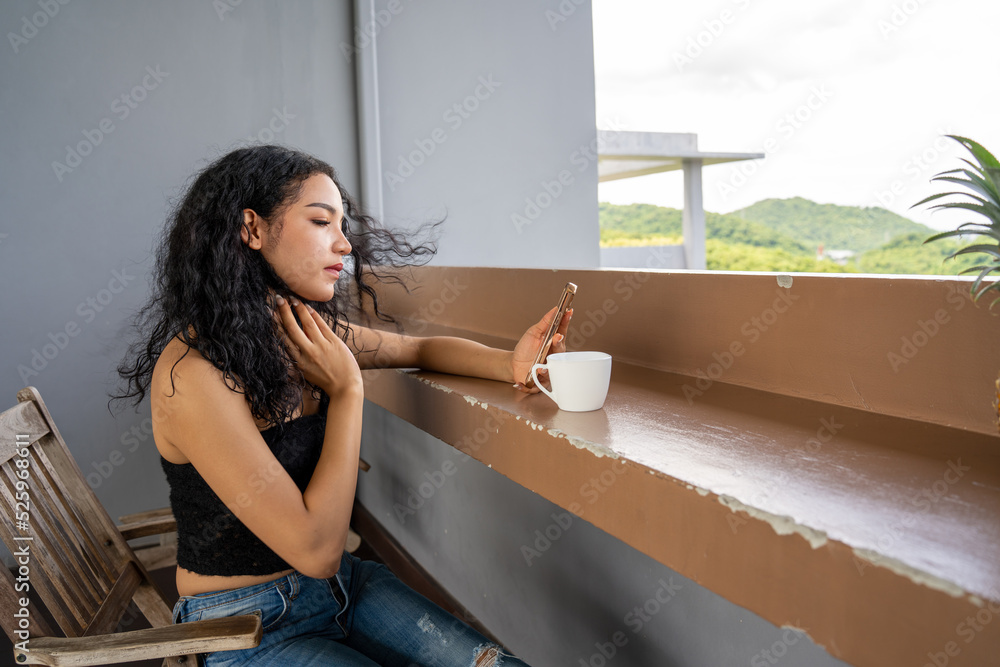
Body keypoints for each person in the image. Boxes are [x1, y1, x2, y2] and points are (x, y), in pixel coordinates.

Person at [115, 145, 569, 666]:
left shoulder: (296, 333)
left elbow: (418, 348)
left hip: (344, 590)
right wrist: (348, 390)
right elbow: (315, 551)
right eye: (320, 221)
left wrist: (512, 364)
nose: (344, 243)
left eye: (343, 225)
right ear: (253, 229)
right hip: (248, 626)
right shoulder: (192, 377)